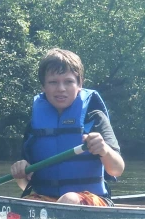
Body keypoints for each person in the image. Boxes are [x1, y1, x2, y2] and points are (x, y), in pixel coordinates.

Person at [11, 48, 124, 206]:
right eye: (53, 82)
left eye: (68, 81)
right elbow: (25, 185)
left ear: (80, 84)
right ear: (43, 86)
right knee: (21, 204)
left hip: (92, 200)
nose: (61, 89)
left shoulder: (94, 118)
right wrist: (21, 174)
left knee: (70, 199)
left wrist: (103, 149)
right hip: (49, 199)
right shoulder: (34, 126)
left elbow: (117, 169)